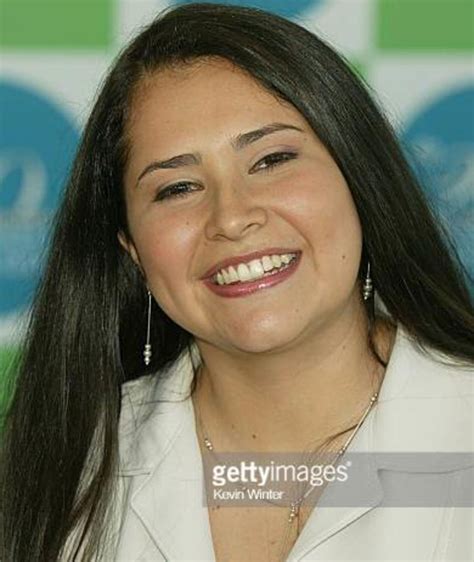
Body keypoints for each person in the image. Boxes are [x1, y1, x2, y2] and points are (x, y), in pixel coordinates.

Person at [1, 3, 473, 561]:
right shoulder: (53, 475)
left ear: (360, 179)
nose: (231, 217)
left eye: (271, 160)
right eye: (177, 188)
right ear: (131, 248)